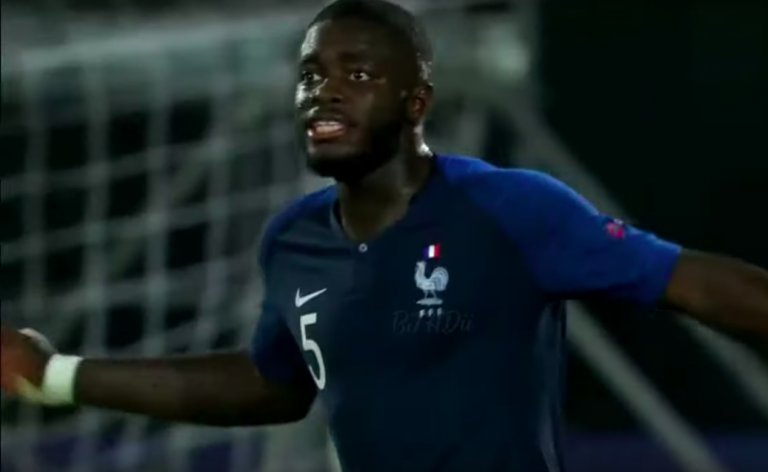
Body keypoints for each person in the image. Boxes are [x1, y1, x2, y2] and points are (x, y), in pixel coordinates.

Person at [2, 1, 767, 471]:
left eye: (358, 73)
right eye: (311, 75)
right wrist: (58, 374)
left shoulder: (508, 208)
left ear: (417, 102)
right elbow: (273, 384)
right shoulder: (294, 240)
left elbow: (697, 284)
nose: (324, 91)